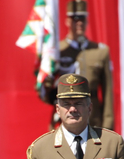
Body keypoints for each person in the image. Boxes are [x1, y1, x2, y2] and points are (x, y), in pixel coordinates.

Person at [41, 0, 114, 130]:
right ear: (67, 21)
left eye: (82, 18)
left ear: (87, 21)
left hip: (93, 121)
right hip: (63, 122)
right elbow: (47, 92)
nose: (79, 22)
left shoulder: (100, 52)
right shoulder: (57, 51)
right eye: (75, 19)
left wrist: (107, 127)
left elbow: (108, 94)